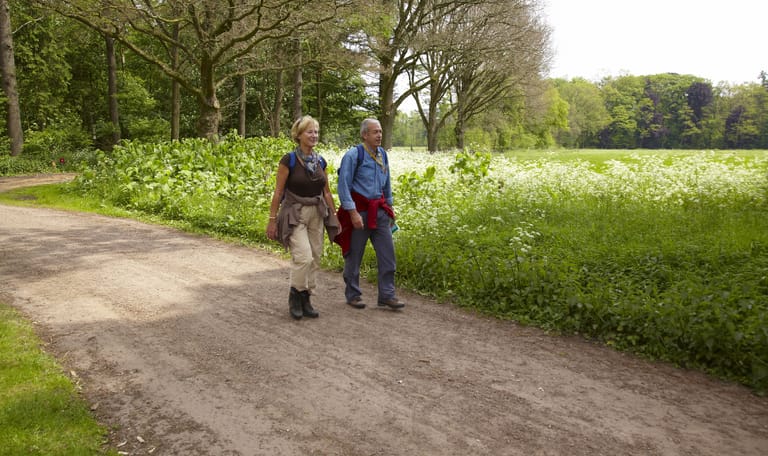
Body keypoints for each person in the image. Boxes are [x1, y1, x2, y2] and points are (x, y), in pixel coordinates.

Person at [266, 115, 340, 320]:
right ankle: (295, 296)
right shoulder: (288, 159)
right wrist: (272, 220)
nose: (314, 135)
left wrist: (334, 216)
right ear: (298, 135)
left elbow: (326, 192)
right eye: (309, 131)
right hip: (294, 213)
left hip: (316, 213)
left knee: (315, 258)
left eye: (316, 131)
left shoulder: (320, 161)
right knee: (303, 257)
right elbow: (278, 192)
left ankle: (306, 298)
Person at [335, 118, 405, 310]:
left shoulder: (382, 154)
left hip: (380, 212)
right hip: (359, 213)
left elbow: (387, 182)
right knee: (354, 255)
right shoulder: (353, 155)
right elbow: (343, 186)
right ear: (364, 134)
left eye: (380, 131)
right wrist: (353, 213)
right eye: (375, 132)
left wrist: (390, 208)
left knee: (387, 255)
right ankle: (353, 294)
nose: (379, 135)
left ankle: (387, 295)